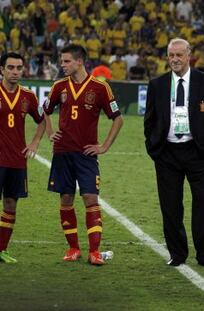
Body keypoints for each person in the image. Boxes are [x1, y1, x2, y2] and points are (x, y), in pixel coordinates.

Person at [144, 38, 204, 268]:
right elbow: (150, 120)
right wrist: (154, 148)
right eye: (171, 55)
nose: (175, 59)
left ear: (189, 56)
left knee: (202, 204)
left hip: (198, 152)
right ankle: (177, 255)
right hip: (167, 153)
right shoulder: (157, 84)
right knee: (170, 206)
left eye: (179, 55)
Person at [44, 44, 123, 265]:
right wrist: (50, 133)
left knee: (90, 198)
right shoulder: (59, 86)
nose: (63, 65)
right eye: (62, 61)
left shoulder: (100, 88)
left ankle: (95, 252)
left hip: (86, 154)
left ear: (80, 62)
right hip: (62, 153)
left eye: (66, 61)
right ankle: (73, 248)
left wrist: (104, 146)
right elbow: (45, 111)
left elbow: (118, 118)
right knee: (66, 198)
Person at [0, 52, 45, 263]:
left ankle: (2, 249)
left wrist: (35, 142)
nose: (15, 72)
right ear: (2, 70)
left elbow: (42, 120)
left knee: (11, 204)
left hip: (17, 161)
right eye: (10, 67)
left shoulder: (28, 96)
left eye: (19, 68)